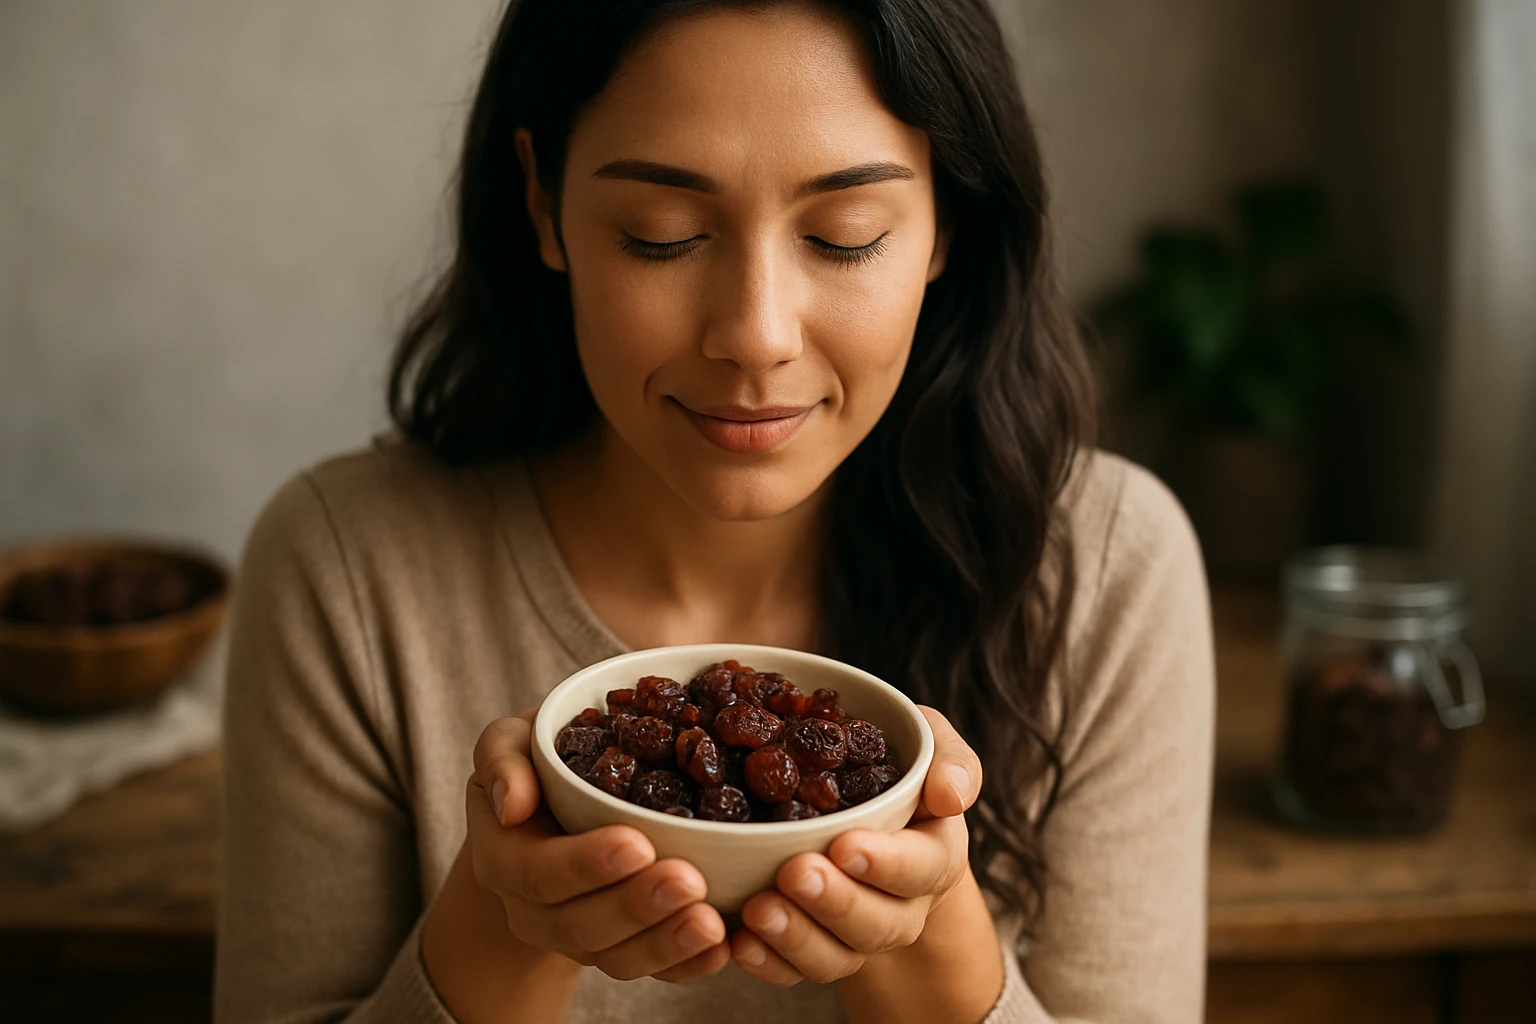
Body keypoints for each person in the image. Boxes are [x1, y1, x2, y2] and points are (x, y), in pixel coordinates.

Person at [214, 2, 1214, 1022]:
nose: (756, 335)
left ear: (947, 222)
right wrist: (501, 926)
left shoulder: (1106, 570)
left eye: (844, 236)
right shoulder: (344, 567)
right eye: (663, 237)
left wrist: (934, 960)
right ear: (544, 203)